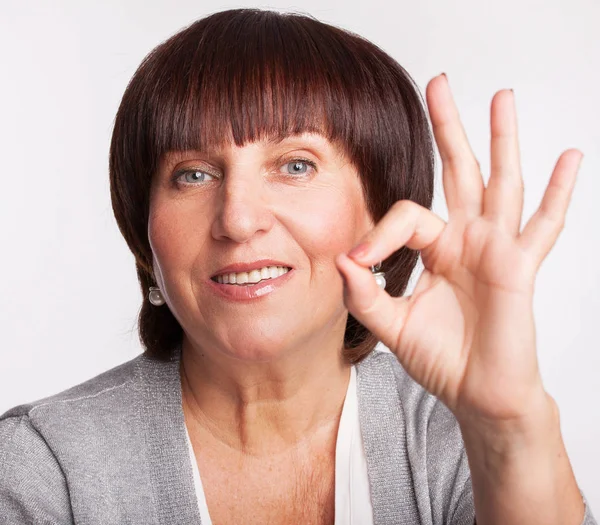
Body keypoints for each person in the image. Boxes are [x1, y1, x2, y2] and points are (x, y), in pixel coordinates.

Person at [0, 7, 596, 525]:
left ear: (384, 214)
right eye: (193, 174)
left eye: (296, 165)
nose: (237, 219)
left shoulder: (456, 438)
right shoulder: (47, 466)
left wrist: (510, 428)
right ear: (145, 238)